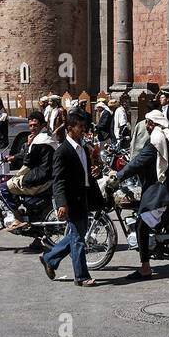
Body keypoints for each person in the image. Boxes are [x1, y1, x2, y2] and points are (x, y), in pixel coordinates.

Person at [105, 108, 169, 279]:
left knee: (141, 224)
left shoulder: (156, 141)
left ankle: (145, 267)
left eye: (148, 123)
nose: (147, 127)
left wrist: (119, 176)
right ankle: (160, 245)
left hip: (162, 189)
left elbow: (138, 162)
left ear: (153, 123)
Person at [39, 110, 102, 286]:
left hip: (85, 197)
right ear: (69, 128)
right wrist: (62, 204)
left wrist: (95, 172)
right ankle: (81, 276)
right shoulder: (62, 152)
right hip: (72, 200)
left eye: (84, 126)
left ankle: (49, 258)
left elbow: (86, 172)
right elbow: (58, 181)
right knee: (79, 239)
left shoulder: (84, 148)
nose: (83, 130)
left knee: (77, 235)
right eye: (80, 127)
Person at [0, 115, 55, 232]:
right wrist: (14, 157)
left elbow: (28, 162)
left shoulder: (39, 141)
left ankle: (18, 217)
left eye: (35, 125)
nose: (32, 128)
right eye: (30, 125)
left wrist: (29, 145)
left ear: (42, 125)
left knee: (3, 188)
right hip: (46, 176)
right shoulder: (47, 137)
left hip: (39, 178)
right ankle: (37, 238)